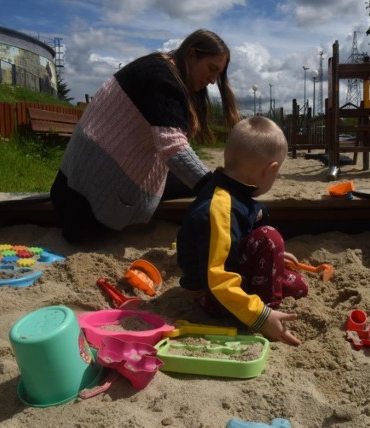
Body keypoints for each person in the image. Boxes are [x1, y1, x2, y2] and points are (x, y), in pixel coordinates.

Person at [50, 29, 240, 243]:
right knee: (204, 183)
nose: (213, 80)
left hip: (74, 182)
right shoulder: (162, 79)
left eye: (218, 74)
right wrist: (217, 189)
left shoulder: (159, 67)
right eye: (211, 69)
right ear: (192, 55)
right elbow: (173, 147)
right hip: (91, 198)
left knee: (197, 180)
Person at [176, 116, 309, 346]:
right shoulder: (219, 209)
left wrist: (272, 255)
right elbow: (216, 279)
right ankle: (268, 311)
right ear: (270, 170)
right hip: (213, 295)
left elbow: (242, 233)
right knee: (270, 238)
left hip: (228, 275)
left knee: (298, 285)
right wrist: (260, 316)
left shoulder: (237, 189)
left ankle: (262, 302)